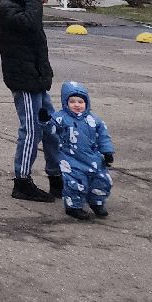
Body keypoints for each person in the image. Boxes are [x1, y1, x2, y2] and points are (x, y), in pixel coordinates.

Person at [0, 0, 61, 202]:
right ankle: (22, 182)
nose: (45, 2)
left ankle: (57, 177)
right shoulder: (6, 8)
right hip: (23, 81)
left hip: (37, 79)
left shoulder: (26, 7)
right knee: (32, 130)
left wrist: (45, 75)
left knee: (52, 129)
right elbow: (29, 23)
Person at [41, 81, 115, 221]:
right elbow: (51, 129)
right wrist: (44, 121)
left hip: (93, 158)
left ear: (86, 103)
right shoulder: (61, 118)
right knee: (76, 183)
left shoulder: (94, 120)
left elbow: (103, 137)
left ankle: (97, 202)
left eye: (80, 101)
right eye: (72, 101)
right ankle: (73, 206)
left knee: (102, 181)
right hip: (71, 158)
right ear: (65, 103)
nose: (77, 105)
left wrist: (107, 152)